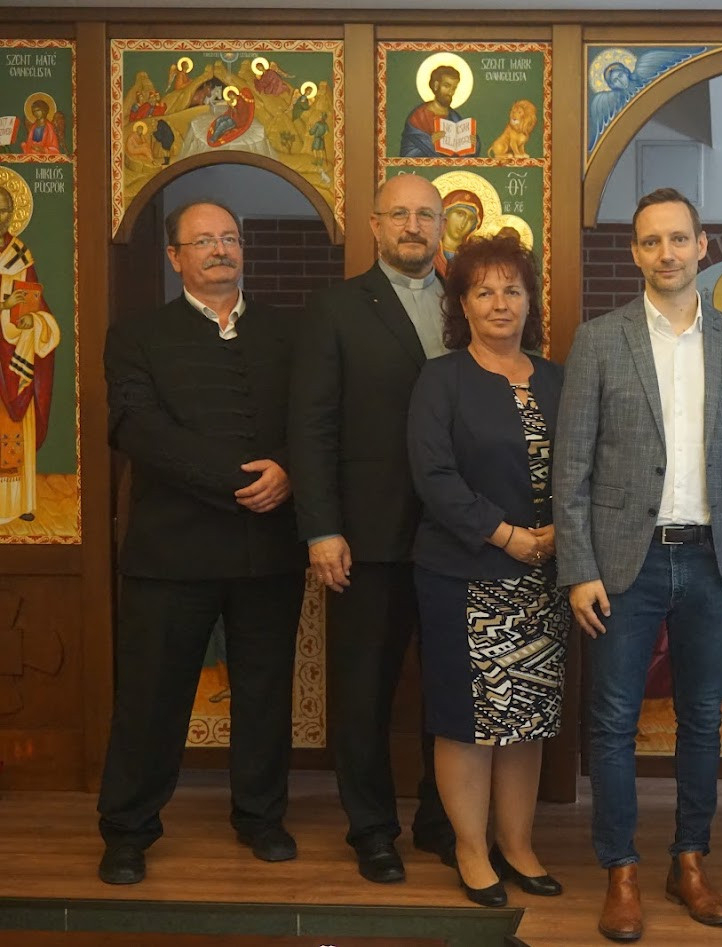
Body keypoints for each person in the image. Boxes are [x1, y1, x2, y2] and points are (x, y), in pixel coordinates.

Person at [552, 187, 722, 942]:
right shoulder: (598, 340)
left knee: (703, 720)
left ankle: (689, 861)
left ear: (702, 246)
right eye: (651, 241)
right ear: (635, 252)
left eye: (679, 239)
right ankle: (621, 869)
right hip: (624, 562)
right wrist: (579, 567)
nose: (666, 253)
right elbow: (571, 466)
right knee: (612, 720)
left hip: (713, 560)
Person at [97, 200, 307, 885]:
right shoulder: (137, 335)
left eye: (229, 238)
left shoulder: (289, 332)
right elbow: (138, 429)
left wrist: (289, 469)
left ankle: (261, 818)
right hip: (171, 554)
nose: (220, 250)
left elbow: (314, 419)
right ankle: (128, 829)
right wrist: (241, 481)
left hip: (267, 550)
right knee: (151, 697)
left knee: (264, 692)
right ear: (174, 256)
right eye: (204, 240)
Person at [289, 174, 454, 884]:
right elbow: (311, 426)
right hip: (366, 536)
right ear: (374, 225)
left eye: (426, 214)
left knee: (451, 689)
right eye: (400, 214)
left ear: (443, 226)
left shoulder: (470, 302)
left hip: (458, 536)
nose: (413, 225)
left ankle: (444, 820)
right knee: (363, 692)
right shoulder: (335, 308)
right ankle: (372, 828)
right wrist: (322, 529)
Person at [407, 233, 569, 907]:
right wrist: (506, 535)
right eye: (483, 291)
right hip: (465, 575)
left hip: (543, 577)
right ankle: (471, 850)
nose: (500, 303)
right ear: (462, 305)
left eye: (512, 290)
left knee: (526, 715)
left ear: (530, 302)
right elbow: (434, 476)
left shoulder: (556, 378)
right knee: (468, 720)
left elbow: (584, 464)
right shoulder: (441, 379)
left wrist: (559, 532)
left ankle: (518, 845)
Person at [0, 183, 60, 524]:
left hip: (11, 352)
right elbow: (12, 298)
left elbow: (31, 301)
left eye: (6, 209)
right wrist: (5, 301)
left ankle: (16, 503)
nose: (1, 216)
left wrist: (30, 320)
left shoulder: (20, 255)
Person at [401, 65, 474, 158]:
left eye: (454, 88)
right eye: (447, 86)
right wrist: (430, 142)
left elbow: (466, 156)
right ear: (436, 85)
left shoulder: (455, 117)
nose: (451, 92)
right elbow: (407, 155)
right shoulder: (418, 117)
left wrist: (472, 143)